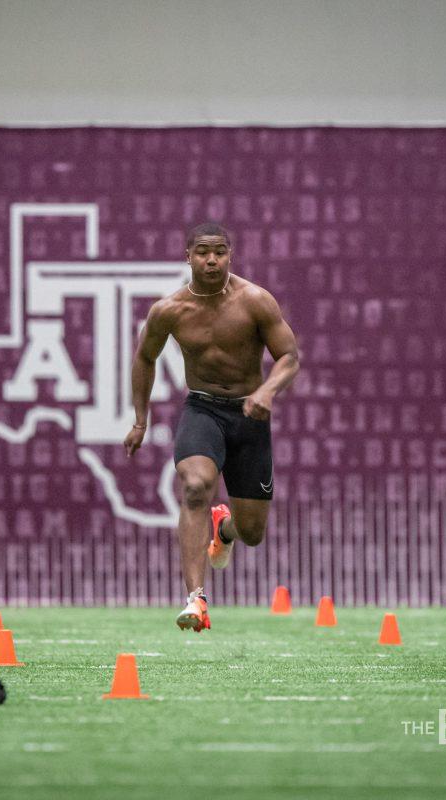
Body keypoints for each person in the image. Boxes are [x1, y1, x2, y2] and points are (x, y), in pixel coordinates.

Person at [125, 222, 300, 631]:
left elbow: (289, 356)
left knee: (253, 532)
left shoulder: (255, 301)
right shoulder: (170, 310)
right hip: (202, 410)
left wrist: (268, 391)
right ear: (188, 257)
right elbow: (145, 358)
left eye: (219, 251)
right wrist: (139, 419)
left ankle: (224, 527)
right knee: (195, 486)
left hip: (249, 415)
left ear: (230, 256)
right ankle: (195, 600)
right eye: (203, 252)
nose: (211, 259)